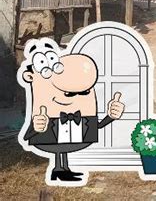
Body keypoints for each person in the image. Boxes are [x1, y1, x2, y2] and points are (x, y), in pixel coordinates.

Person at [19, 39, 125, 184]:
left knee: (62, 148)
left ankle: (62, 169)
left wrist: (111, 116)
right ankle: (59, 169)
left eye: (85, 92)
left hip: (73, 137)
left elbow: (97, 126)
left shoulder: (83, 116)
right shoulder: (44, 112)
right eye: (68, 93)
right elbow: (27, 136)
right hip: (51, 134)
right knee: (58, 148)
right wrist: (37, 127)